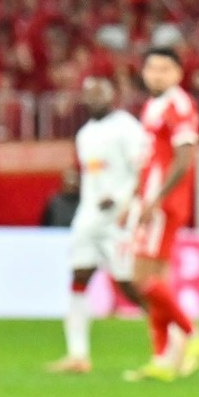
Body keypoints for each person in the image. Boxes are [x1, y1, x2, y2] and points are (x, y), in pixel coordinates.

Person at [123, 49, 199, 382]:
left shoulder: (178, 104)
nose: (157, 74)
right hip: (151, 199)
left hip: (162, 203)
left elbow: (184, 156)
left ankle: (193, 333)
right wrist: (133, 198)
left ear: (178, 74)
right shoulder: (153, 106)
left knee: (141, 278)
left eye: (165, 69)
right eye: (151, 68)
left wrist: (156, 199)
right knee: (155, 282)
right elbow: (151, 158)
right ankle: (163, 359)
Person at [49, 76, 151, 374]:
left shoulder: (127, 127)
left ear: (112, 95)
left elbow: (142, 169)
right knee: (78, 277)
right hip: (88, 218)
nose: (93, 99)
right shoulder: (84, 134)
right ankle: (78, 355)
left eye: (100, 93)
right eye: (89, 94)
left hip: (118, 219)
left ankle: (172, 337)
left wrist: (123, 201)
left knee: (128, 284)